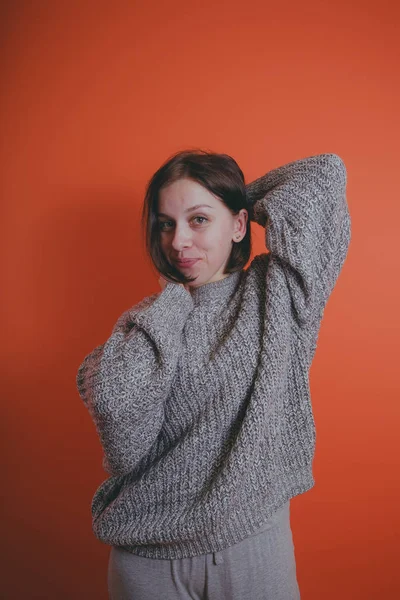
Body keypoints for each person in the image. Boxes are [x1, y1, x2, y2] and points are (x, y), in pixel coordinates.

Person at [76, 148, 351, 599]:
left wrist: (235, 199)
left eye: (198, 220)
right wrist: (174, 297)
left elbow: (323, 176)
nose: (179, 241)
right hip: (148, 558)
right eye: (167, 224)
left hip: (252, 544)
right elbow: (122, 435)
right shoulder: (144, 323)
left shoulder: (277, 294)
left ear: (240, 225)